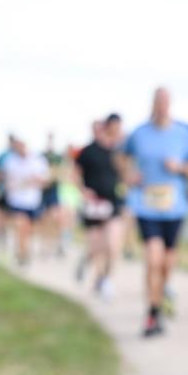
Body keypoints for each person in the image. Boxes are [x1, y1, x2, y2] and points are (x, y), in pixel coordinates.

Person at [120, 87, 188, 337]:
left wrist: (181, 168)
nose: (162, 106)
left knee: (166, 261)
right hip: (146, 206)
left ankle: (164, 289)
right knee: (153, 258)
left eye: (166, 101)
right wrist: (128, 176)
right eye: (158, 101)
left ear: (171, 104)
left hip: (174, 206)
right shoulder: (139, 133)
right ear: (153, 104)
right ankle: (152, 313)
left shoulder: (184, 132)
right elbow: (121, 158)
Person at [74, 114, 125, 300]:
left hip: (113, 203)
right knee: (96, 247)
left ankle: (105, 280)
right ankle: (87, 263)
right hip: (94, 205)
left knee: (112, 244)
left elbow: (127, 171)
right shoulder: (88, 152)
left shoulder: (120, 151)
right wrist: (83, 190)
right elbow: (75, 174)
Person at [2, 137, 50, 266]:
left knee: (28, 230)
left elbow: (46, 181)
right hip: (16, 201)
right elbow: (7, 181)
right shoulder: (10, 161)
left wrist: (36, 180)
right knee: (20, 225)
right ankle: (22, 255)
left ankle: (23, 251)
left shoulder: (38, 160)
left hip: (32, 201)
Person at [39, 132, 66, 257]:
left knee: (55, 218)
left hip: (53, 191)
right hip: (43, 191)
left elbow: (60, 173)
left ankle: (56, 243)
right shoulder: (42, 155)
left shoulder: (57, 157)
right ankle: (46, 244)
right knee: (45, 219)